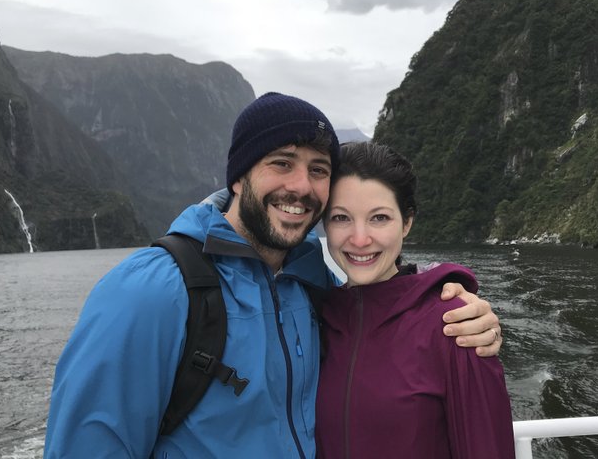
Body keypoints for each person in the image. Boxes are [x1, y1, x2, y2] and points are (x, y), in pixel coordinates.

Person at [44, 92, 502, 458]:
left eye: (318, 170)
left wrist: (466, 304)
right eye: (282, 162)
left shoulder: (312, 287)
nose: (300, 186)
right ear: (240, 175)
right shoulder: (152, 289)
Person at [316, 141, 514, 458]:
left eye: (379, 218)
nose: (360, 238)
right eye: (341, 218)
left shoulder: (455, 324)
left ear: (407, 222)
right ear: (324, 223)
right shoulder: (317, 318)